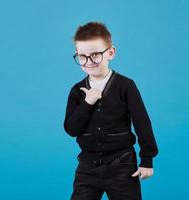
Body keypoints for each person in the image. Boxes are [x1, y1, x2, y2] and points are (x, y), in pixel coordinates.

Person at [63, 21, 159, 200]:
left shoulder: (125, 86)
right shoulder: (77, 91)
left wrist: (147, 160)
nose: (88, 62)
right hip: (87, 168)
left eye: (95, 55)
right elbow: (71, 129)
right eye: (82, 56)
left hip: (122, 166)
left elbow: (142, 122)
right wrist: (88, 102)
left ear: (111, 53)